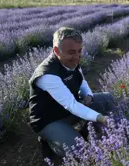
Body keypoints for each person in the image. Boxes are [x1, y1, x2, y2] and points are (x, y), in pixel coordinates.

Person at [28, 27, 115, 162]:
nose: (77, 57)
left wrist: (89, 96)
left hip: (68, 111)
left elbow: (82, 82)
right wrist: (101, 119)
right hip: (49, 120)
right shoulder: (47, 74)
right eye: (71, 52)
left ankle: (81, 127)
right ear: (56, 51)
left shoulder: (72, 60)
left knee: (108, 99)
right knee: (79, 149)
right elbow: (71, 104)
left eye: (79, 51)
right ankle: (51, 140)